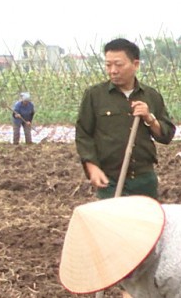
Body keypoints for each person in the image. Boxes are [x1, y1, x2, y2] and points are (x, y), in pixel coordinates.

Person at [75, 38, 175, 200]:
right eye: (108, 65)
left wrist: (150, 119)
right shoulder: (95, 95)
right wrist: (92, 168)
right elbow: (83, 134)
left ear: (135, 64)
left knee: (145, 223)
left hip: (144, 179)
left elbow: (166, 135)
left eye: (118, 65)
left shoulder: (151, 95)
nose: (113, 70)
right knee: (113, 223)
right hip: (110, 180)